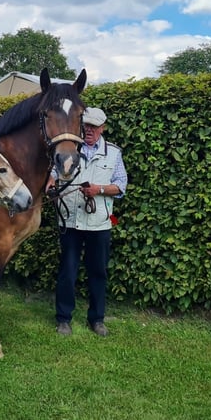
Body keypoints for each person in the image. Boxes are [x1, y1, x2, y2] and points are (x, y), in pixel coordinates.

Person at [46, 107, 127, 337]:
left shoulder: (113, 153)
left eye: (94, 126)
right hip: (71, 221)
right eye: (87, 126)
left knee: (98, 273)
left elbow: (121, 186)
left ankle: (97, 319)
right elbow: (55, 170)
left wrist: (98, 190)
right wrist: (51, 181)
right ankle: (63, 319)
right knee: (67, 273)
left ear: (102, 128)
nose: (89, 130)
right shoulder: (71, 148)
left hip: (100, 223)